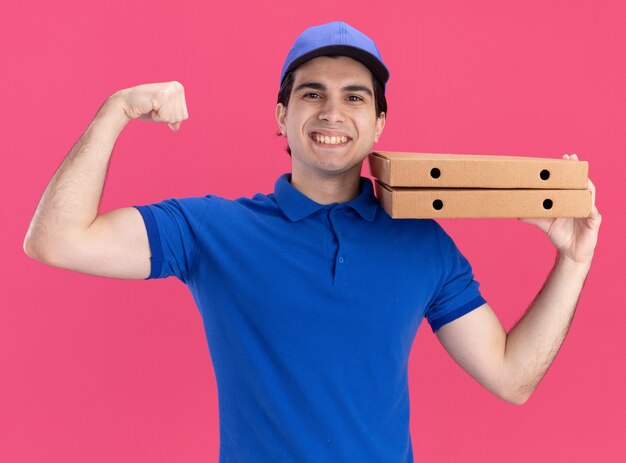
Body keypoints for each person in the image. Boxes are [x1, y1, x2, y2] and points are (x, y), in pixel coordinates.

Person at [23, 21, 601, 463]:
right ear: (281, 114)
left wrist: (573, 261)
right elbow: (57, 240)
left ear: (378, 124)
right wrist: (116, 109)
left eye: (354, 97)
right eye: (311, 93)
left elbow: (511, 377)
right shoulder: (211, 231)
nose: (332, 111)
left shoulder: (422, 243)